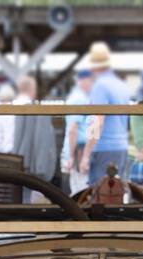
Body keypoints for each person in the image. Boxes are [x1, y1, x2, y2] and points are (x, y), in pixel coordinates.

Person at [79, 43, 130, 185]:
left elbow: (97, 120)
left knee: (100, 197)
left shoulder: (100, 86)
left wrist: (86, 154)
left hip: (104, 149)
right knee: (118, 195)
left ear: (93, 66)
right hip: (122, 147)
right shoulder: (122, 85)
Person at [60, 64, 92, 194]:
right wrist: (72, 156)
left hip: (79, 150)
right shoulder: (79, 99)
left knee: (79, 189)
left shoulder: (80, 98)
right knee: (80, 190)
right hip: (78, 150)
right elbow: (73, 129)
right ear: (82, 81)